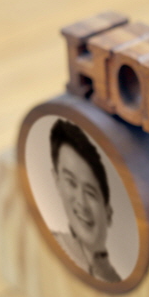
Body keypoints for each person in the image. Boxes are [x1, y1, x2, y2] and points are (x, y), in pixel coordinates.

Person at [50, 118, 121, 282]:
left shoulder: (116, 280)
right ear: (57, 181)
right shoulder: (52, 247)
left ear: (108, 212)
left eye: (90, 193)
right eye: (71, 183)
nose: (81, 203)